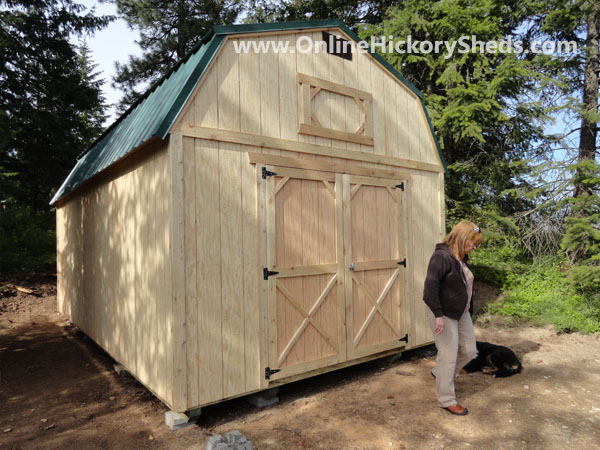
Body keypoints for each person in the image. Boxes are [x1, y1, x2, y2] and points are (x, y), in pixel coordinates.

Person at [423, 220, 483, 416]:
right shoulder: (441, 257)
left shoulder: (461, 258)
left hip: (461, 312)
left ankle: (440, 374)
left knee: (469, 350)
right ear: (461, 237)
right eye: (472, 243)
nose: (473, 247)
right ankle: (446, 399)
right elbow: (430, 289)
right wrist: (438, 315)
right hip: (442, 312)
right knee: (448, 356)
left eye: (475, 245)